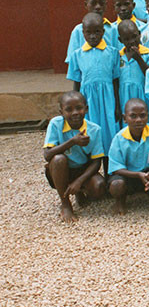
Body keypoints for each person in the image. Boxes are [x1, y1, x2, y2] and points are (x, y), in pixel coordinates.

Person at [43, 91, 106, 222]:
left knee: (99, 186)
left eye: (79, 108)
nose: (75, 113)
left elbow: (96, 163)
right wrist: (72, 141)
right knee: (58, 159)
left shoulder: (94, 130)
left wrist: (80, 181)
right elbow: (48, 155)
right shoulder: (56, 124)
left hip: (82, 169)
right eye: (69, 109)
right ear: (61, 112)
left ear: (86, 109)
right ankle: (65, 203)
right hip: (60, 170)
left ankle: (79, 191)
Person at [67, 13, 120, 148]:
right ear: (83, 33)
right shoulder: (77, 55)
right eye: (88, 32)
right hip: (88, 101)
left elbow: (115, 81)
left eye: (97, 32)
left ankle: (110, 168)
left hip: (108, 100)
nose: (93, 36)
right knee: (89, 133)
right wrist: (75, 105)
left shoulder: (113, 53)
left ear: (103, 31)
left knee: (109, 136)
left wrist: (117, 105)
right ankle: (93, 167)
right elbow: (76, 83)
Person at [65, 0, 118, 64]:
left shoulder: (113, 30)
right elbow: (72, 60)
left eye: (101, 3)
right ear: (86, 5)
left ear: (106, 5)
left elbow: (118, 57)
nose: (98, 7)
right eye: (93, 3)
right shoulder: (78, 30)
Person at [117, 20, 149, 118]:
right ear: (120, 40)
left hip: (143, 95)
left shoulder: (148, 54)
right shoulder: (118, 57)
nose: (132, 41)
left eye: (134, 36)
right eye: (127, 39)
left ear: (139, 34)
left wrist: (139, 59)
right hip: (124, 96)